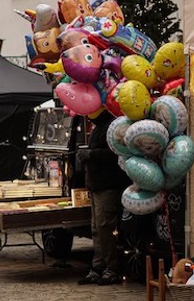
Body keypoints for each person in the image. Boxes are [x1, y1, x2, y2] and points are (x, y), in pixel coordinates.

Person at [76, 112, 130, 286]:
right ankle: (98, 266)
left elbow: (115, 154)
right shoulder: (99, 126)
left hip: (107, 186)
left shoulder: (111, 127)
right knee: (96, 228)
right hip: (97, 185)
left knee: (105, 227)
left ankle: (111, 268)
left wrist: (91, 154)